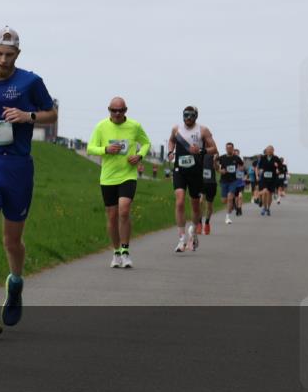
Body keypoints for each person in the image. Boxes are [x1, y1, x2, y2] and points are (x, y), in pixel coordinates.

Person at [0, 27, 56, 336]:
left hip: (18, 168)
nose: (3, 59)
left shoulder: (30, 81)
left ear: (17, 54)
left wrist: (27, 116)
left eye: (9, 54)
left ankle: (15, 282)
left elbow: (51, 113)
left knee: (11, 241)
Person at [87, 97, 151, 268]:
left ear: (125, 110)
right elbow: (90, 148)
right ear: (109, 110)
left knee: (124, 210)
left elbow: (146, 143)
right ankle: (116, 252)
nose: (117, 113)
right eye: (113, 110)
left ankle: (125, 251)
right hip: (108, 177)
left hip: (128, 175)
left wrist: (139, 156)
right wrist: (105, 149)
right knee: (112, 216)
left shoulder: (134, 126)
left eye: (120, 110)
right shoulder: (101, 126)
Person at [166, 106, 217, 252]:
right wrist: (170, 152)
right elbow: (171, 141)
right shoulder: (176, 129)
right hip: (179, 170)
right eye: (186, 115)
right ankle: (181, 239)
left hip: (195, 171)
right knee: (180, 201)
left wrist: (201, 150)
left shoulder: (203, 130)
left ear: (196, 116)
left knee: (195, 205)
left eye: (191, 115)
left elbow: (214, 149)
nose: (188, 118)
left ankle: (193, 231)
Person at [217, 142, 245, 224]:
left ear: (232, 148)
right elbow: (216, 166)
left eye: (230, 148)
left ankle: (227, 217)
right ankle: (231, 204)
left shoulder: (236, 158)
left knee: (229, 197)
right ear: (225, 149)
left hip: (233, 181)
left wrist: (240, 169)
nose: (229, 149)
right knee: (224, 200)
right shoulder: (222, 158)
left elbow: (242, 165)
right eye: (227, 148)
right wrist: (220, 170)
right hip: (224, 181)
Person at [256, 146, 282, 216]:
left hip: (273, 179)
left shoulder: (276, 158)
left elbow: (281, 168)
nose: (269, 151)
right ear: (266, 151)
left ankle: (268, 208)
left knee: (270, 194)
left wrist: (278, 168)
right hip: (264, 178)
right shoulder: (263, 158)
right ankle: (264, 208)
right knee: (265, 192)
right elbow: (259, 167)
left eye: (271, 150)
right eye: (268, 150)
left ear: (273, 151)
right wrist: (258, 173)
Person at [232, 148, 246, 215]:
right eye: (235, 154)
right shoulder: (231, 162)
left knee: (240, 196)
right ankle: (237, 207)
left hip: (241, 183)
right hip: (234, 183)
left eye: (237, 154)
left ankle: (240, 208)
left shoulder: (241, 162)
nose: (236, 155)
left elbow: (243, 169)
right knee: (236, 197)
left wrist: (239, 166)